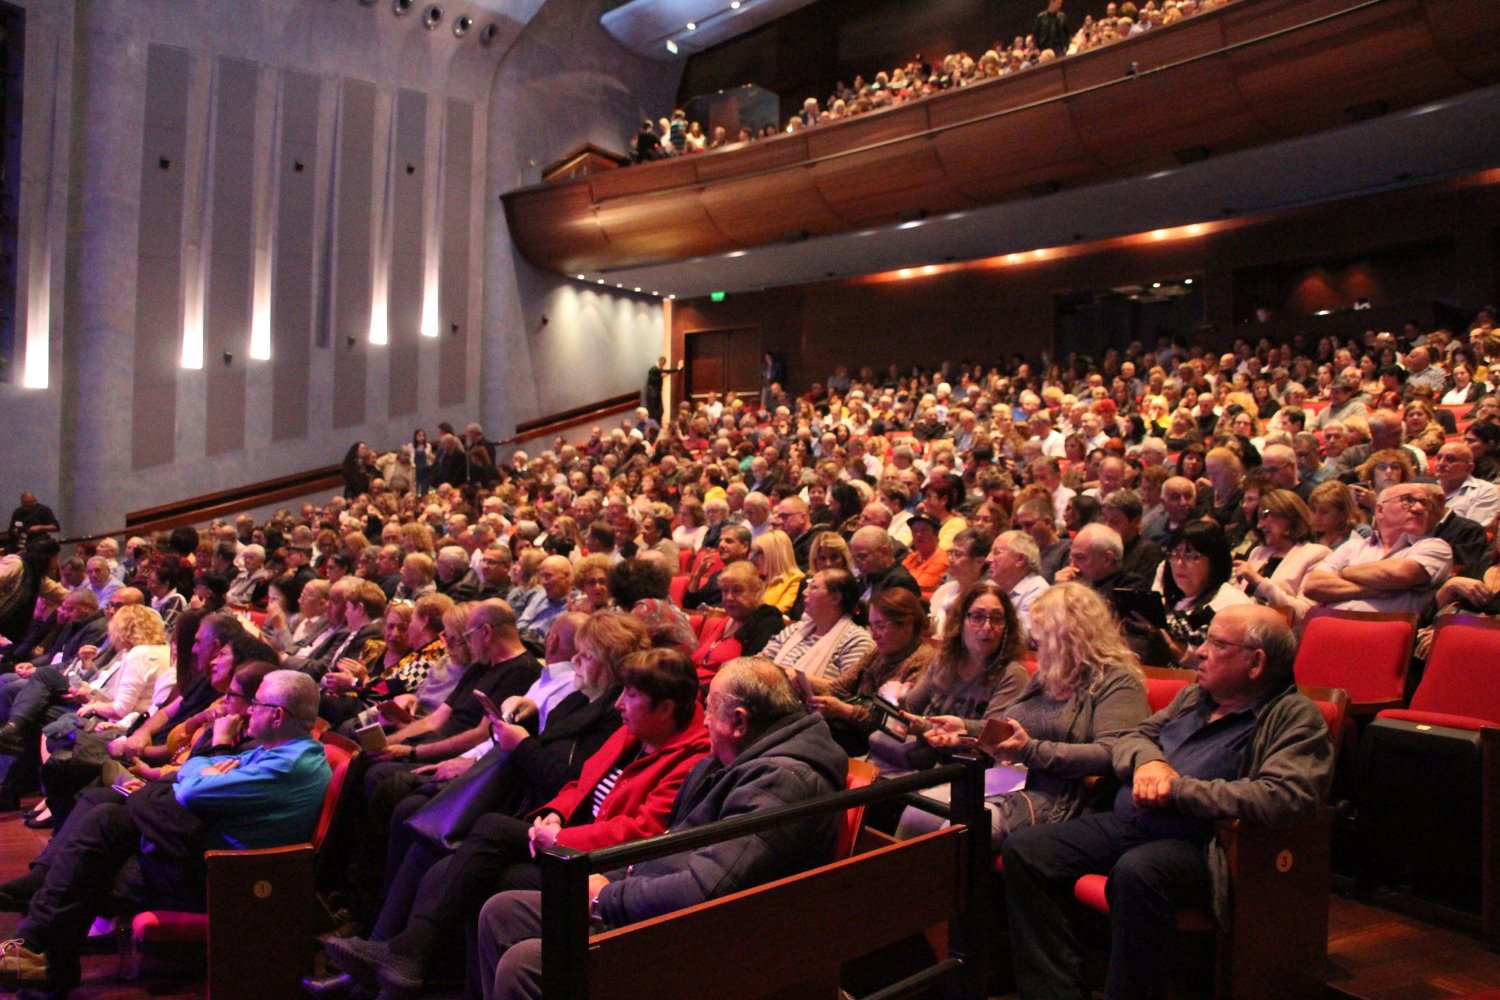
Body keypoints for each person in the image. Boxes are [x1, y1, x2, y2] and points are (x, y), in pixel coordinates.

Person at [323, 648, 710, 1000]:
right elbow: (582, 781)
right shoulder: (635, 732)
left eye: (631, 697)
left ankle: (397, 964)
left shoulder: (691, 758)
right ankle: (387, 972)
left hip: (599, 867)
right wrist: (557, 810)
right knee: (443, 864)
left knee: (488, 835)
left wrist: (560, 835)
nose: (620, 704)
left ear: (665, 709)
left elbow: (642, 830)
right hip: (568, 842)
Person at [1003, 604, 1335, 1000]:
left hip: (1202, 843)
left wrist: (1176, 791)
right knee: (1027, 850)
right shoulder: (1197, 696)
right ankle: (1055, 993)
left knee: (1139, 871)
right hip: (1129, 822)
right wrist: (1153, 763)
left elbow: (1285, 796)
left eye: (1217, 644)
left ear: (1256, 662)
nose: (1199, 652)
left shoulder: (1295, 717)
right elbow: (1132, 738)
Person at [472, 658, 848, 1000]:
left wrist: (607, 898)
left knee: (525, 964)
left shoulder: (781, 781)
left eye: (711, 709)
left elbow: (707, 890)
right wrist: (609, 879)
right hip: (673, 915)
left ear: (739, 721)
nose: (702, 721)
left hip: (713, 943)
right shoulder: (733, 763)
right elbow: (669, 847)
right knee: (503, 911)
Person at [0, 670, 331, 995]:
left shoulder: (287, 764)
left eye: (256, 704)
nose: (248, 710)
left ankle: (42, 951)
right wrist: (207, 768)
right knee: (104, 821)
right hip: (203, 856)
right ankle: (44, 954)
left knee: (104, 833)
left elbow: (193, 790)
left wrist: (216, 751)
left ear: (276, 715)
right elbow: (200, 774)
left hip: (223, 877)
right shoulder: (277, 750)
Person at [807, 587, 936, 755]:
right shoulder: (876, 652)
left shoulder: (924, 660)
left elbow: (897, 725)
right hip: (853, 737)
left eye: (881, 626)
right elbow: (839, 688)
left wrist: (844, 710)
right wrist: (805, 686)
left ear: (907, 624)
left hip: (882, 748)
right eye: (871, 626)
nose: (874, 635)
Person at [1301, 482, 1452, 614]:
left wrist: (1344, 571)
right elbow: (1313, 586)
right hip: (1329, 630)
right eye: (1408, 500)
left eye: (1425, 503)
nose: (1419, 508)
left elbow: (1398, 573)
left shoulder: (1435, 547)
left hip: (1384, 637)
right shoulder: (1352, 547)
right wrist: (1372, 589)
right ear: (1380, 510)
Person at [1231, 489, 1331, 623]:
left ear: (1289, 516)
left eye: (1265, 515)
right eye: (1258, 518)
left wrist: (1259, 582)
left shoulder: (1317, 554)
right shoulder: (1258, 552)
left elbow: (1305, 612)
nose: (1260, 525)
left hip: (1282, 634)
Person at [760, 569, 874, 682]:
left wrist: (798, 678)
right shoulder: (795, 629)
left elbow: (847, 690)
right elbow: (760, 662)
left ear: (835, 598)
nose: (804, 592)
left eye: (813, 587)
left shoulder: (856, 640)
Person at [690, 562, 784, 685]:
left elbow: (750, 677)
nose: (728, 597)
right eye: (725, 590)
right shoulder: (725, 621)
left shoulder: (767, 623)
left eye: (737, 590)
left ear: (757, 591)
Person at [750, 529, 804, 615]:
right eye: (754, 553)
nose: (753, 558)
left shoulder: (796, 580)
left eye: (759, 552)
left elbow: (780, 614)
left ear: (775, 555)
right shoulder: (759, 580)